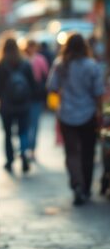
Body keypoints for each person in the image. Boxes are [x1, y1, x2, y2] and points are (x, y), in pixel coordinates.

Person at [47, 33, 104, 205]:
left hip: (66, 115)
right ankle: (86, 188)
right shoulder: (92, 66)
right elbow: (98, 93)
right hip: (88, 114)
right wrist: (100, 113)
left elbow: (52, 87)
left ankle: (76, 184)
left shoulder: (60, 64)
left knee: (72, 153)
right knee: (88, 152)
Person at [0, 37, 35, 173]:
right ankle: (24, 156)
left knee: (8, 134)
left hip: (7, 106)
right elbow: (32, 84)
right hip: (23, 105)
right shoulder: (25, 63)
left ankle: (10, 160)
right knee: (23, 132)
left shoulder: (1, 64)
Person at [24, 39, 49, 161]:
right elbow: (46, 76)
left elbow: (46, 77)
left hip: (30, 96)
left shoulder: (29, 60)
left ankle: (29, 148)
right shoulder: (38, 59)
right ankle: (29, 148)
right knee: (32, 124)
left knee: (31, 124)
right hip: (31, 96)